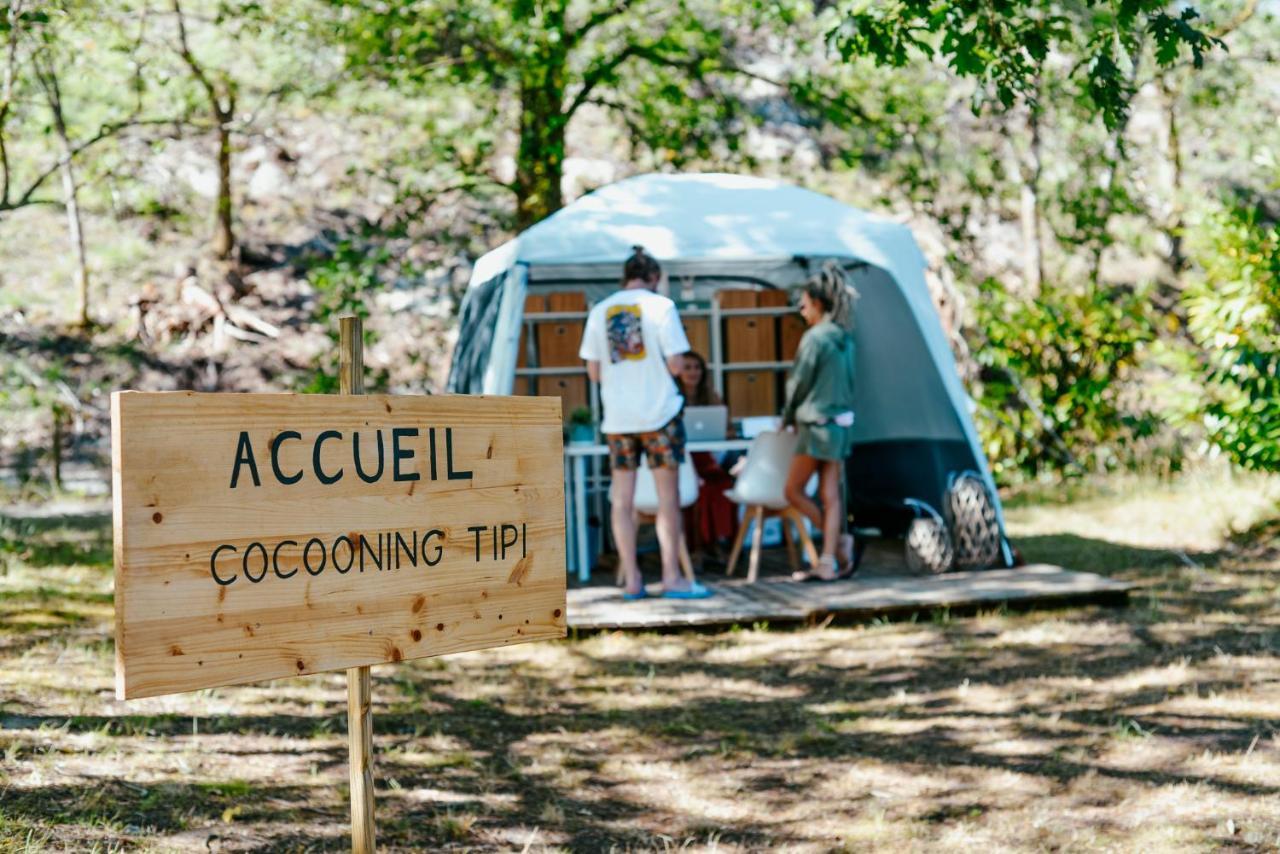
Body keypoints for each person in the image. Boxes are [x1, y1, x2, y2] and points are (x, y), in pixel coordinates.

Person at [579, 246, 713, 600]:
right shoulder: (662, 307)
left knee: (622, 500)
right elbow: (676, 366)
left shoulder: (599, 311)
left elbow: (593, 372)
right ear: (654, 278)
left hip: (618, 419)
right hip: (659, 415)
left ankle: (632, 581)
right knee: (667, 499)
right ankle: (671, 577)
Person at [781, 263, 858, 581]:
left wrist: (786, 416)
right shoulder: (845, 338)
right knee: (831, 496)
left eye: (803, 303)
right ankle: (827, 561)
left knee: (793, 491)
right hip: (840, 425)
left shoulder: (814, 338)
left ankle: (838, 543)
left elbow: (798, 382)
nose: (801, 309)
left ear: (816, 302)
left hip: (815, 426)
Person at [676, 351, 738, 557]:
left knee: (720, 485)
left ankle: (717, 542)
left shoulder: (712, 397)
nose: (693, 372)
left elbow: (729, 431)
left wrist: (719, 432)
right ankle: (700, 547)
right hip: (683, 462)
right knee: (702, 488)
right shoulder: (670, 399)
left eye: (697, 367)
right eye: (688, 367)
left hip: (709, 458)